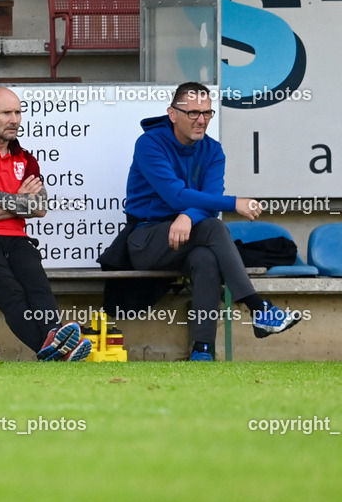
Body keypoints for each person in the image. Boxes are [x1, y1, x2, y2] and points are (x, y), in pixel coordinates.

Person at [122, 82, 301, 361]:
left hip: (190, 239)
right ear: (172, 113)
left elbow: (208, 197)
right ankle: (257, 308)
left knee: (206, 258)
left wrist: (187, 217)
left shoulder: (213, 150)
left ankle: (202, 350)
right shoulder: (149, 144)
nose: (201, 120)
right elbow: (175, 195)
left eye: (207, 113)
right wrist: (234, 203)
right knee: (215, 227)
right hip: (146, 240)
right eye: (193, 112)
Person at [0, 87, 91, 361]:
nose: (14, 119)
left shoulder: (25, 157)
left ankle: (52, 338)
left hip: (15, 239)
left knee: (37, 284)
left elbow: (39, 208)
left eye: (18, 112)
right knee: (11, 292)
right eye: (6, 113)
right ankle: (54, 349)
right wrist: (17, 203)